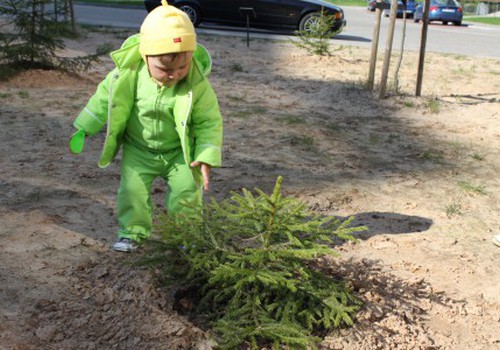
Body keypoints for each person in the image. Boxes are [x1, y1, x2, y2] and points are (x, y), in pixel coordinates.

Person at [69, 0, 223, 252]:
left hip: (179, 153)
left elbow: (209, 119)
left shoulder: (196, 83)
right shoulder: (127, 74)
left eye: (182, 66)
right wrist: (85, 126)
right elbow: (103, 99)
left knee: (187, 193)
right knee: (132, 193)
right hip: (138, 149)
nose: (174, 74)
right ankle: (132, 233)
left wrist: (206, 154)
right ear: (145, 55)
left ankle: (185, 236)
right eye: (165, 68)